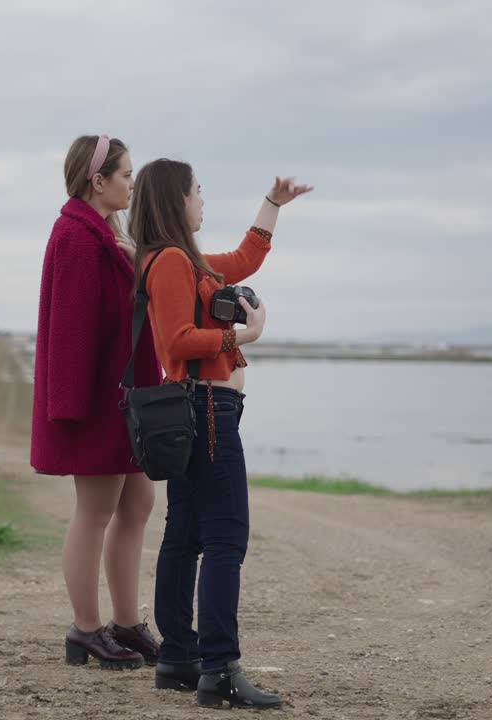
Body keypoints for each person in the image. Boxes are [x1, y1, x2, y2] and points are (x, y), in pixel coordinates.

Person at [128, 158, 312, 708]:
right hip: (207, 410)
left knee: (185, 536)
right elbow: (177, 341)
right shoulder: (169, 264)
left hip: (204, 409)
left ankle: (180, 658)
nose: (202, 199)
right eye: (197, 191)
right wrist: (241, 337)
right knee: (226, 538)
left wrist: (273, 205)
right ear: (174, 200)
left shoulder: (188, 262)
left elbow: (245, 258)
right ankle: (219, 670)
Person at [31, 134, 163, 670]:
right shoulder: (76, 235)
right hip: (96, 402)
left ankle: (127, 624)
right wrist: (71, 411)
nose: (133, 182)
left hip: (125, 394)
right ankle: (86, 629)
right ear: (98, 179)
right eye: (126, 174)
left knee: (138, 504)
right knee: (95, 511)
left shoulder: (108, 234)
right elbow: (70, 330)